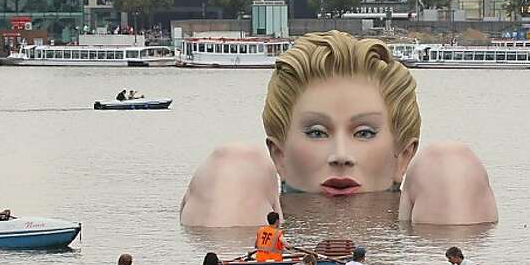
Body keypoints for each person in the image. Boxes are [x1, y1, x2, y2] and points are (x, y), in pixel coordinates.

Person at [179, 31, 498, 227]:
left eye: (364, 133)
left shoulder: (435, 173)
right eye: (317, 132)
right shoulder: (245, 176)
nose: (341, 157)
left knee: (451, 161)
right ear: (280, 156)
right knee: (234, 165)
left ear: (402, 156)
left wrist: (450, 204)